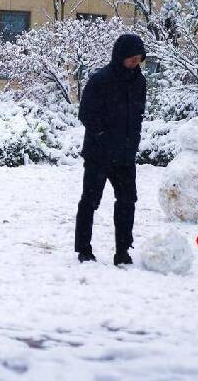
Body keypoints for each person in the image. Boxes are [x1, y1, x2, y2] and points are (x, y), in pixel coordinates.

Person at [75, 33, 147, 266]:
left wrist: (132, 142)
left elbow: (137, 116)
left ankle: (123, 250)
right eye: (132, 59)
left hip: (125, 155)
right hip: (99, 154)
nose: (136, 63)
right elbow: (86, 113)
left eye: (139, 59)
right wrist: (103, 137)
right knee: (90, 201)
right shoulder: (100, 79)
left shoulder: (140, 82)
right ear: (121, 56)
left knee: (127, 201)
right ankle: (84, 249)